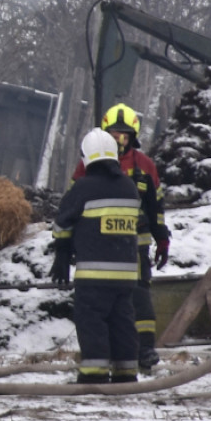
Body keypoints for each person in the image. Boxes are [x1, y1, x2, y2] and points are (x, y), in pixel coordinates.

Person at [71, 103, 170, 370]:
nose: (118, 141)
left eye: (123, 136)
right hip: (98, 246)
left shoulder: (145, 166)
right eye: (113, 135)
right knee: (107, 304)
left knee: (138, 295)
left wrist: (162, 240)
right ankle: (111, 354)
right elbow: (72, 206)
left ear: (132, 136)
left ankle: (146, 349)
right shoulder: (86, 167)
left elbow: (155, 208)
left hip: (135, 244)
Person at [51, 128, 144, 383]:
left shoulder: (84, 187)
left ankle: (94, 374)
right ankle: (126, 373)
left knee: (92, 323)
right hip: (125, 275)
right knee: (123, 323)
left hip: (93, 276)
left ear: (86, 157)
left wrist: (61, 255)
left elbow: (62, 224)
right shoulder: (129, 187)